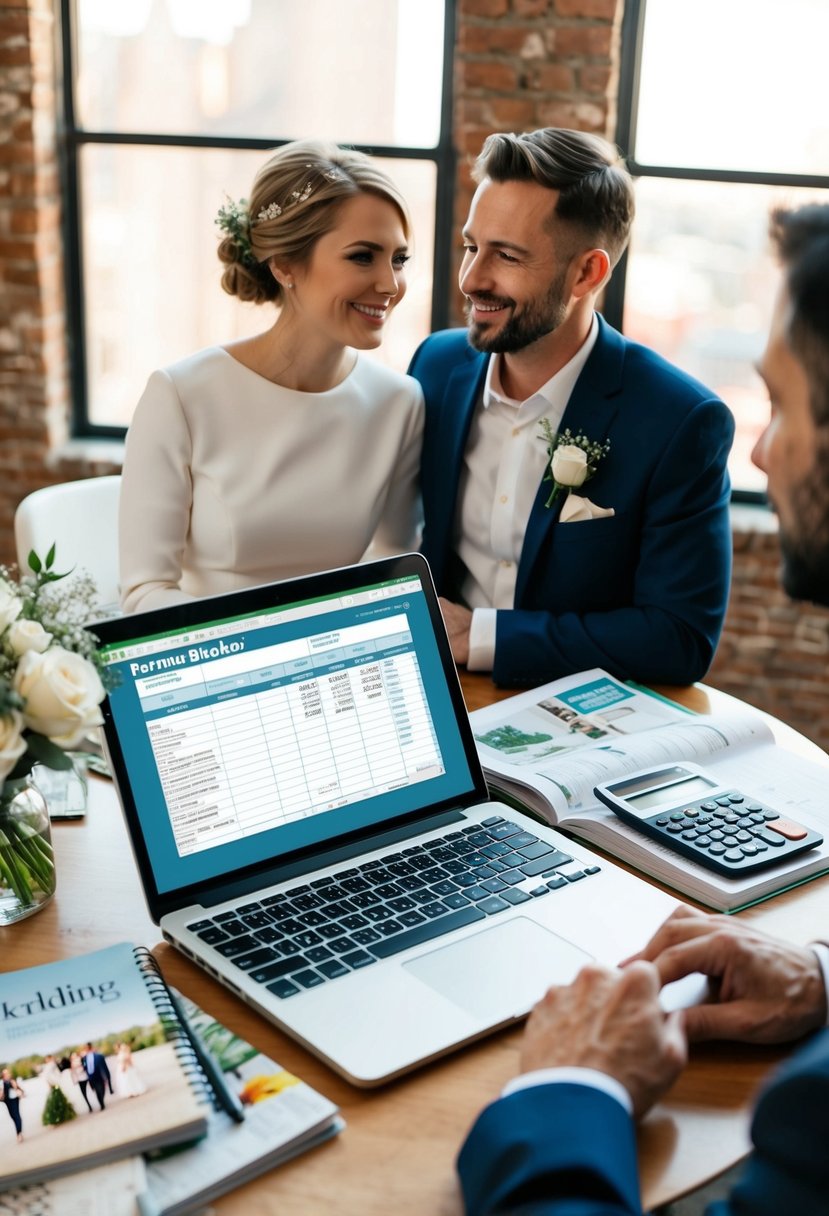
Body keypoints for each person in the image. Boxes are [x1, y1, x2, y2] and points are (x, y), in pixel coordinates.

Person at [456, 204, 829, 1215]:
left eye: (782, 404)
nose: (763, 456)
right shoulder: (439, 369)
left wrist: (566, 1087)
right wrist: (821, 977)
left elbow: (675, 634)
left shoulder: (809, 1120)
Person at [409, 127, 734, 688]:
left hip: (578, 723)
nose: (471, 279)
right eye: (471, 246)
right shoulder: (435, 369)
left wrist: (480, 635)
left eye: (506, 256)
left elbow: (679, 637)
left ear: (588, 273)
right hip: (439, 694)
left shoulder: (681, 421)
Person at [120, 139, 423, 613]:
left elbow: (393, 571)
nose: (390, 284)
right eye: (363, 256)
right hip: (211, 663)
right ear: (285, 265)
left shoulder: (400, 403)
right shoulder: (181, 395)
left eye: (399, 259)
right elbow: (145, 592)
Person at [83, 1042, 113, 1111]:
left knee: (102, 1090)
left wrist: (107, 1077)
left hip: (99, 1076)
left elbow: (105, 1067)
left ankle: (101, 1100)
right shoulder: (84, 1058)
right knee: (97, 1091)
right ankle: (101, 1104)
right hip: (91, 1078)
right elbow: (85, 1067)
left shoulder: (99, 1056)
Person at [1, 1068, 25, 1143]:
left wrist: (17, 1088)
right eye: (6, 1073)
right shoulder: (2, 1083)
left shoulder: (12, 1081)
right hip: (8, 1101)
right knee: (13, 1116)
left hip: (15, 1100)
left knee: (17, 1116)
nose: (8, 1074)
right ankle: (19, 1133)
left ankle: (19, 1133)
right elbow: (2, 1094)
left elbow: (18, 1089)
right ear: (3, 1075)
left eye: (8, 1073)